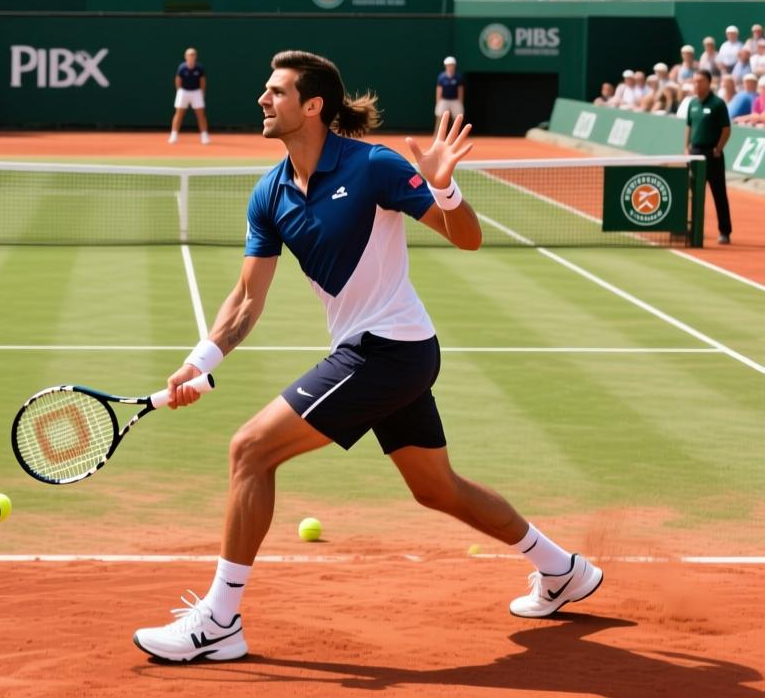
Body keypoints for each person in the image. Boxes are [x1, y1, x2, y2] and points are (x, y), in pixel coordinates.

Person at [132, 50, 603, 663]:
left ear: (313, 105)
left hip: (387, 350)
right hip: (386, 355)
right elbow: (248, 297)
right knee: (437, 488)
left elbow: (469, 239)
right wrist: (202, 360)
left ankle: (220, 620)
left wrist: (444, 186)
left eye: (276, 91)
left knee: (250, 450)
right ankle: (560, 568)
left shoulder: (374, 166)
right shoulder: (270, 192)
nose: (263, 100)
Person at [685, 70, 732, 244]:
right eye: (694, 81)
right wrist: (686, 147)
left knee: (719, 193)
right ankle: (695, 229)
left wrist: (718, 148)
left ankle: (725, 231)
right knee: (695, 194)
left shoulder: (718, 104)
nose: (696, 84)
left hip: (713, 155)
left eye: (700, 81)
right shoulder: (692, 104)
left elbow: (726, 129)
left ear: (709, 82)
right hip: (695, 153)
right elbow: (689, 126)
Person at [168, 47, 210, 145]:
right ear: (186, 56)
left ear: (196, 56)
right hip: (183, 92)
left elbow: (202, 81)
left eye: (193, 55)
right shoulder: (181, 67)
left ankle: (204, 136)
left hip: (196, 92)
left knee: (201, 115)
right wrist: (180, 91)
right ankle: (174, 135)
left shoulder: (199, 68)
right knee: (179, 114)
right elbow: (178, 81)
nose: (191, 56)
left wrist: (202, 92)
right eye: (189, 55)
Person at [435, 56, 464, 120]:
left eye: (452, 65)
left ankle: (457, 130)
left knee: (458, 118)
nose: (450, 67)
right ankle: (437, 130)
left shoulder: (458, 77)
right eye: (448, 65)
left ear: (454, 66)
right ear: (446, 66)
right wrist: (438, 102)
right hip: (444, 100)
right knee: (440, 118)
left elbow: (460, 90)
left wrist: (460, 102)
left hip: (455, 100)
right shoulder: (441, 77)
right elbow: (439, 90)